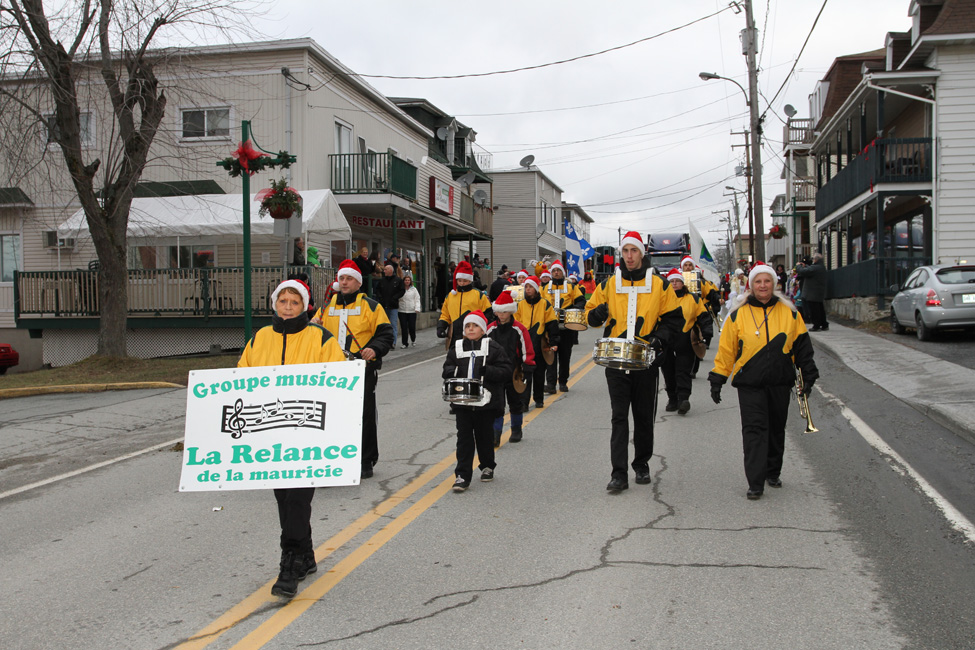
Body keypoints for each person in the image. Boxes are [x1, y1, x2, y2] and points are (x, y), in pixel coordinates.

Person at [238, 279, 348, 599]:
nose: (288, 306)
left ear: (305, 306)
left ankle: (288, 564)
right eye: (283, 301)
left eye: (294, 302)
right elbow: (242, 375)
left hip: (308, 433)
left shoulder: (321, 338)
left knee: (298, 498)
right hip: (271, 436)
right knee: (284, 498)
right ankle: (307, 554)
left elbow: (337, 380)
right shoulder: (259, 338)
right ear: (275, 304)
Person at [708, 262, 818, 500]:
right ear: (751, 285)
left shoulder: (790, 312)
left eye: (767, 281)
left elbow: (803, 348)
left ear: (774, 284)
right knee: (754, 430)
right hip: (750, 383)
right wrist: (718, 378)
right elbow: (727, 351)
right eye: (758, 281)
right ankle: (755, 481)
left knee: (776, 429)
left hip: (780, 381)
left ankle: (772, 471)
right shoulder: (738, 314)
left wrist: (808, 374)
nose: (763, 285)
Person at [584, 231, 683, 493]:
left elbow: (675, 319)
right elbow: (589, 319)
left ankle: (641, 464)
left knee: (643, 416)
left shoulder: (659, 284)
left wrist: (658, 341)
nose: (629, 256)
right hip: (616, 362)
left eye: (634, 251)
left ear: (642, 254)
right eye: (625, 251)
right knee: (619, 417)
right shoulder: (609, 284)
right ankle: (618, 474)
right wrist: (598, 313)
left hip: (645, 360)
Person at [312, 260, 394, 479]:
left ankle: (365, 459)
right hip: (331, 371)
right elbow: (312, 333)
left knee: (364, 415)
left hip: (361, 368)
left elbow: (386, 334)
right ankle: (335, 458)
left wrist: (373, 349)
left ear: (358, 282)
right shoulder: (327, 307)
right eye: (341, 278)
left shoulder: (371, 305)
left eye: (348, 278)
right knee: (332, 416)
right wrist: (314, 326)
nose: (344, 282)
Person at [442, 310, 511, 492]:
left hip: (485, 403)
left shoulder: (493, 347)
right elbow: (446, 369)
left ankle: (487, 465)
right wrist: (455, 372)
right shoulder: (456, 347)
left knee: (484, 437)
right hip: (462, 402)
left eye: (475, 326)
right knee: (464, 439)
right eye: (468, 326)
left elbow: (506, 370)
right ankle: (462, 475)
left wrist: (488, 371)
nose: (471, 329)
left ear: (482, 329)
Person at [661, 268, 713, 415]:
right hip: (666, 340)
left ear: (682, 283)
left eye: (677, 281)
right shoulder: (662, 299)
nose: (674, 284)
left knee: (683, 371)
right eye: (671, 281)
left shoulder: (693, 299)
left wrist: (707, 333)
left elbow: (703, 316)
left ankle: (683, 399)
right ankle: (672, 399)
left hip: (685, 340)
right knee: (668, 371)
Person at [486, 290, 535, 445]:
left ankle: (516, 429)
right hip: (496, 372)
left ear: (511, 311)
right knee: (496, 404)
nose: (501, 315)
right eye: (499, 312)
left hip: (514, 371)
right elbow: (484, 349)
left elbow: (526, 348)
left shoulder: (519, 329)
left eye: (505, 312)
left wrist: (527, 367)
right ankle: (495, 434)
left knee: (515, 402)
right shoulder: (490, 329)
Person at [514, 275, 559, 410]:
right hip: (524, 345)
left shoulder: (545, 304)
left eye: (530, 287)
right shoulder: (520, 305)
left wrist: (553, 342)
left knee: (539, 374)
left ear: (536, 289)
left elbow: (552, 323)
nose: (528, 289)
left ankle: (538, 399)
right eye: (526, 287)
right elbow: (516, 324)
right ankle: (524, 403)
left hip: (540, 344)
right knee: (526, 375)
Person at [543, 260, 586, 393]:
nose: (556, 272)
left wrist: (574, 309)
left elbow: (581, 300)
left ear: (563, 272)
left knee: (565, 355)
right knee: (550, 356)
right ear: (551, 273)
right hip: (550, 327)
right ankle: (550, 384)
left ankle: (563, 382)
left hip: (566, 327)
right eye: (554, 271)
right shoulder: (545, 288)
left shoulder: (571, 287)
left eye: (559, 270)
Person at [437, 260, 493, 346]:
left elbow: (488, 313)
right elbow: (445, 314)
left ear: (470, 280)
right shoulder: (450, 296)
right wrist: (441, 327)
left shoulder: (478, 295)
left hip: (473, 335)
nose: (462, 283)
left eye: (465, 281)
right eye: (459, 281)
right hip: (454, 335)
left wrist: (482, 328)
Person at [796, 253, 829, 331]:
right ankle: (824, 324)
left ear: (816, 259)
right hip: (818, 292)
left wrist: (798, 266)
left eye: (813, 258)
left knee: (814, 310)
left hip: (812, 293)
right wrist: (806, 266)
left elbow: (803, 272)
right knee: (820, 309)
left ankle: (816, 325)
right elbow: (810, 270)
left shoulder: (815, 268)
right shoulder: (821, 267)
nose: (812, 259)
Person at [375, 264, 405, 346]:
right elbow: (377, 290)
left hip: (393, 306)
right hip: (384, 305)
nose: (384, 271)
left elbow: (402, 291)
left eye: (385, 270)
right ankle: (385, 341)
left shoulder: (398, 280)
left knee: (393, 324)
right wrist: (380, 298)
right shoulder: (382, 280)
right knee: (384, 324)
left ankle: (393, 342)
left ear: (390, 271)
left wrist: (395, 298)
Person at [398, 275, 421, 348]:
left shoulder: (414, 290)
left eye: (408, 280)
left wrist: (417, 308)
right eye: (405, 280)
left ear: (410, 281)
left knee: (411, 327)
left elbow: (417, 299)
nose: (407, 282)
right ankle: (404, 343)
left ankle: (413, 340)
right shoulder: (400, 289)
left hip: (412, 311)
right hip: (402, 310)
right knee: (404, 327)